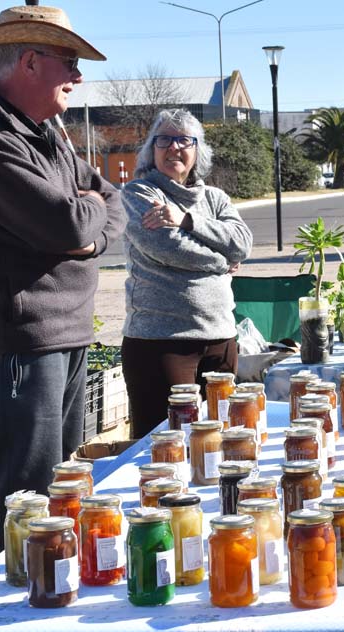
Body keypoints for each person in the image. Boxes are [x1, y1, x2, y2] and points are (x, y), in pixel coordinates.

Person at [0, 4, 126, 561]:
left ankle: (51, 585)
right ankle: (11, 596)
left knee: (62, 484)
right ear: (29, 61)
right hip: (21, 339)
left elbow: (107, 202)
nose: (78, 76)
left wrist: (88, 235)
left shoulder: (48, 132)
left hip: (62, 334)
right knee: (23, 495)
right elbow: (67, 219)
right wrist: (82, 219)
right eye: (69, 61)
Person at [120, 109, 253, 438]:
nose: (173, 148)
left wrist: (187, 220)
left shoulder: (215, 199)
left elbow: (243, 243)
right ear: (152, 148)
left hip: (220, 338)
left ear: (198, 150)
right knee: (164, 447)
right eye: (163, 139)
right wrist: (223, 262)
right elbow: (169, 248)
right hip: (161, 342)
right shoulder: (141, 194)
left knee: (221, 440)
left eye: (184, 140)